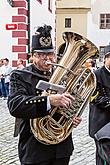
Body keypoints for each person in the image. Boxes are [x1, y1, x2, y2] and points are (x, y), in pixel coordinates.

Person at [7, 24, 81, 165]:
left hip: (61, 148)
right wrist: (48, 100)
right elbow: (15, 105)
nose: (47, 58)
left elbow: (69, 103)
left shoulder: (62, 75)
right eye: (41, 54)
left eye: (50, 54)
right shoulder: (20, 75)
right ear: (32, 56)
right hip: (34, 148)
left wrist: (71, 117)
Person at [89, 51, 110, 165]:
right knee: (103, 158)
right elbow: (93, 98)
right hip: (101, 123)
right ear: (106, 58)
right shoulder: (96, 75)